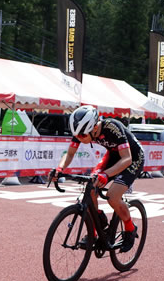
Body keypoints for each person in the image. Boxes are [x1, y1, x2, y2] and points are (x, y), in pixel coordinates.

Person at [50, 105, 144, 252]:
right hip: (113, 157)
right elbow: (69, 154)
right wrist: (59, 169)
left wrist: (106, 175)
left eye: (82, 136)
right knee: (91, 186)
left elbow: (126, 159)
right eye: (77, 136)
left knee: (112, 196)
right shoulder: (82, 130)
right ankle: (96, 227)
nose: (79, 138)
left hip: (133, 158)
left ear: (94, 127)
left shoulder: (113, 127)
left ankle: (130, 229)